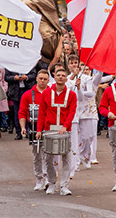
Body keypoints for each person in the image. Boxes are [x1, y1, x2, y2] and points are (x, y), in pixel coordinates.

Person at [36, 66, 77, 195]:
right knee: (48, 158)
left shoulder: (72, 94)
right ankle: (52, 182)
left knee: (66, 157)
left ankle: (64, 185)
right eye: (58, 75)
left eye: (63, 75)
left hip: (65, 130)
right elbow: (42, 112)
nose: (60, 77)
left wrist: (65, 126)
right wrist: (39, 130)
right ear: (54, 77)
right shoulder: (46, 93)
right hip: (49, 129)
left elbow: (72, 112)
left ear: (66, 79)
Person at [19, 69, 50, 191]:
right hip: (34, 129)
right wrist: (22, 127)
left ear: (48, 80)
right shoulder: (28, 94)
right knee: (37, 155)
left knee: (48, 156)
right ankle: (39, 179)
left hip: (48, 128)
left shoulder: (51, 93)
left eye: (45, 79)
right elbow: (22, 112)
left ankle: (49, 178)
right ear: (36, 78)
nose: (42, 81)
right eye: (40, 78)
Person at [5, 68, 36, 140]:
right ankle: (19, 132)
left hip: (27, 89)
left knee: (29, 111)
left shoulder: (29, 62)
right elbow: (6, 77)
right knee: (17, 112)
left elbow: (34, 75)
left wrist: (27, 77)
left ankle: (28, 130)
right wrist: (14, 78)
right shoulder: (10, 64)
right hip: (15, 91)